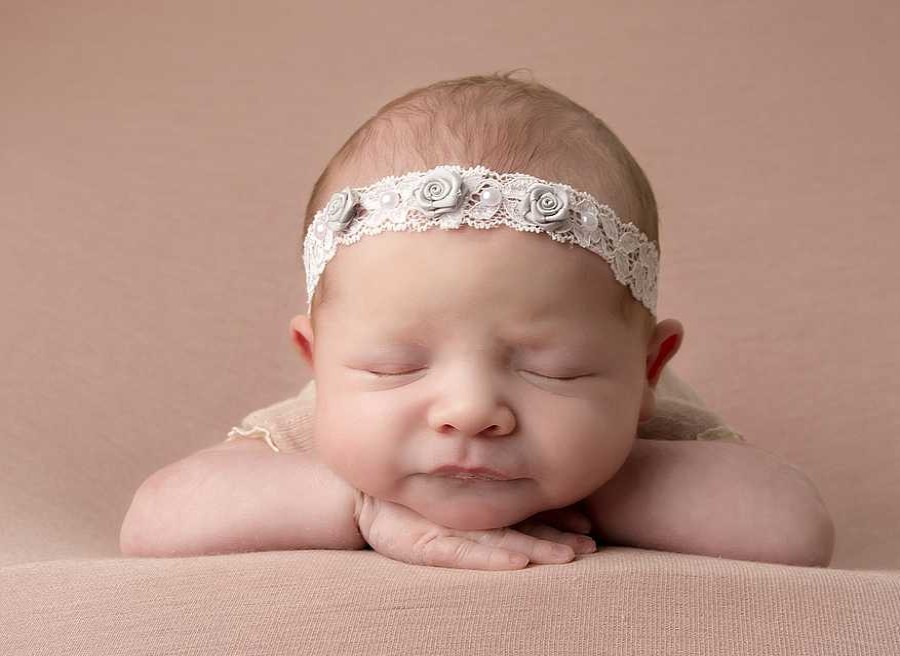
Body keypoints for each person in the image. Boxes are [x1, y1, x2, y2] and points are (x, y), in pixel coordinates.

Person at [120, 71, 834, 570]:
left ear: (647, 369)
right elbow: (155, 520)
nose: (470, 411)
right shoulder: (327, 426)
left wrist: (597, 472)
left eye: (552, 371)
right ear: (318, 359)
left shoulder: (646, 427)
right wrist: (361, 505)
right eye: (394, 366)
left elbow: (796, 529)